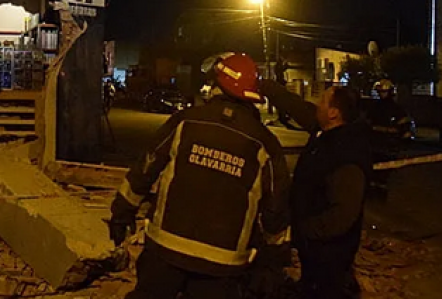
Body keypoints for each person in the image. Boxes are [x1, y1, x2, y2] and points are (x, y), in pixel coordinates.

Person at [108, 52, 291, 299]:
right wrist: (274, 258)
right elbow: (276, 207)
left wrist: (122, 213)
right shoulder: (264, 143)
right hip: (222, 262)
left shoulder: (185, 121)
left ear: (218, 84)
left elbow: (146, 168)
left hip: (166, 248)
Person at [261, 81, 372, 299]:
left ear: (333, 113)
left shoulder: (345, 153)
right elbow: (298, 108)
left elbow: (343, 214)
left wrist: (306, 230)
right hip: (315, 249)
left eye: (322, 101)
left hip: (329, 253)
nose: (316, 104)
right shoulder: (327, 134)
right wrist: (265, 87)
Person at [365, 79, 414, 196]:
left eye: (384, 92)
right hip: (376, 144)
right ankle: (374, 190)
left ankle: (380, 191)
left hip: (388, 145)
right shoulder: (374, 108)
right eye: (380, 92)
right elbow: (367, 124)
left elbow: (404, 126)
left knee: (384, 172)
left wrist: (405, 138)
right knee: (375, 170)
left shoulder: (396, 109)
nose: (382, 94)